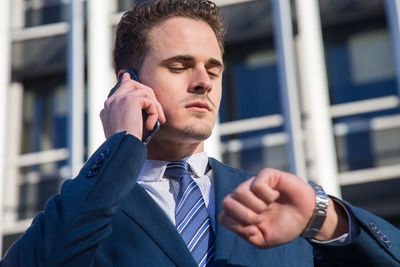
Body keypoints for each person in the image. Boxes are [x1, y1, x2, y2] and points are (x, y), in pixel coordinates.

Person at [2, 0, 400, 266]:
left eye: (213, 69)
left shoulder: (278, 204)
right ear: (128, 82)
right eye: (179, 66)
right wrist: (120, 148)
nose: (203, 82)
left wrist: (323, 219)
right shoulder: (86, 206)